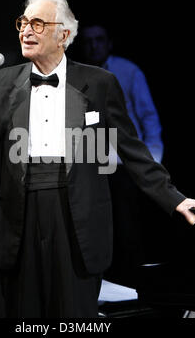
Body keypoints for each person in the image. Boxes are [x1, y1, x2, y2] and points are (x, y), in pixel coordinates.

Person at [0, 0, 195, 318]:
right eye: (22, 23)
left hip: (76, 217)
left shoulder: (99, 83)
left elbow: (132, 150)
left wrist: (174, 198)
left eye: (37, 23)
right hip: (20, 218)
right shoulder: (0, 83)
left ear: (63, 34)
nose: (25, 31)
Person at [80, 24, 165, 287]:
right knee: (95, 229)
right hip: (92, 164)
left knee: (128, 230)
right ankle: (102, 288)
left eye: (99, 40)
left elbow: (148, 116)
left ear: (109, 42)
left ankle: (134, 288)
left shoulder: (128, 71)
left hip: (124, 164)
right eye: (89, 41)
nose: (94, 46)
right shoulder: (79, 75)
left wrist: (152, 160)